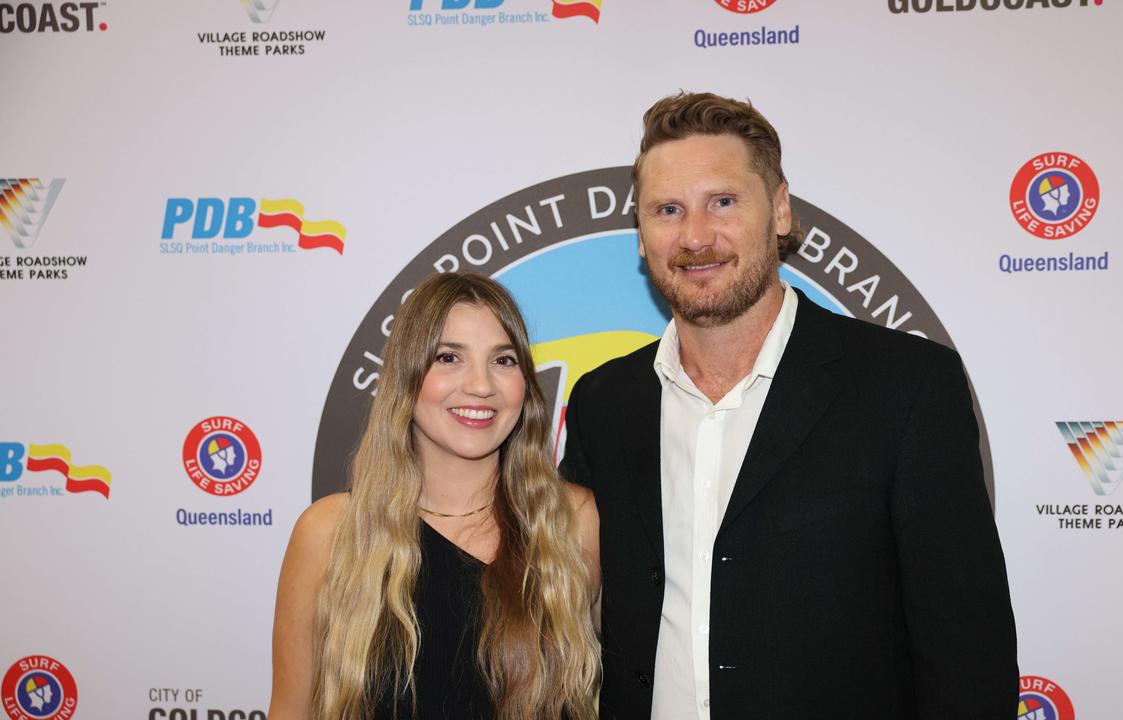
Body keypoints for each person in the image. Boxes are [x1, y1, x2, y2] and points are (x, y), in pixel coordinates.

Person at [558, 92, 1018, 719]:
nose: (695, 236)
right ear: (641, 235)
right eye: (667, 210)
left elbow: (969, 653)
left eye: (723, 201)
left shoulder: (905, 387)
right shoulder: (603, 403)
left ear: (778, 210)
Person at [269, 272, 601, 720]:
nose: (481, 385)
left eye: (503, 361)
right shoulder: (330, 533)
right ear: (407, 375)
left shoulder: (572, 521)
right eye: (449, 357)